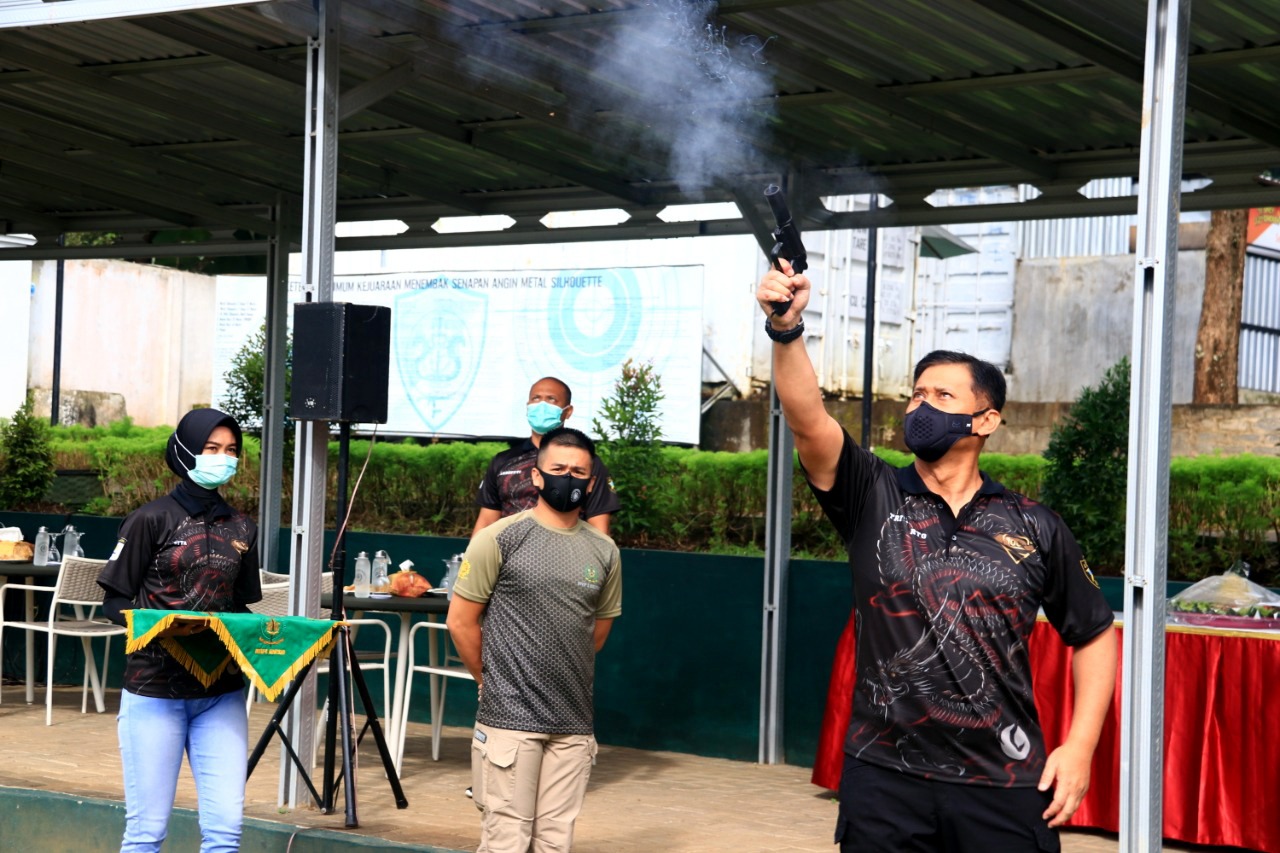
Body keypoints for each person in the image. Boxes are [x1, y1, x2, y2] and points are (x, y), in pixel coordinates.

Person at [757, 259, 1118, 852]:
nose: (921, 406)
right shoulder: (870, 492)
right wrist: (786, 330)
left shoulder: (1035, 525)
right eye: (915, 394)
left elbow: (1095, 634)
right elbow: (808, 419)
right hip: (885, 777)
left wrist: (1079, 748)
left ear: (987, 420)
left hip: (1003, 779)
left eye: (942, 395)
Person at [447, 426, 622, 853]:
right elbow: (461, 622)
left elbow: (595, 631)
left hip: (573, 725)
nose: (569, 477)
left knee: (554, 843)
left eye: (579, 471)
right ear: (537, 477)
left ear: (592, 481)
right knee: (506, 840)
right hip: (508, 720)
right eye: (558, 468)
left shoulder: (605, 552)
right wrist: (489, 683)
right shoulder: (498, 537)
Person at [97, 408, 262, 853]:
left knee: (226, 832)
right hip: (153, 694)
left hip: (221, 692)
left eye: (231, 451)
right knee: (146, 833)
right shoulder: (149, 519)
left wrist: (272, 636)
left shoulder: (244, 526)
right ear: (186, 450)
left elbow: (240, 606)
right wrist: (163, 625)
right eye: (211, 449)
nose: (222, 458)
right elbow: (113, 601)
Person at [473, 376, 619, 537]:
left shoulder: (587, 463)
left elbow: (599, 528)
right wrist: (471, 560)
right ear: (528, 407)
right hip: (508, 557)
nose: (542, 405)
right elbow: (486, 522)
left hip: (567, 556)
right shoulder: (503, 462)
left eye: (551, 400)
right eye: (536, 398)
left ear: (568, 411)